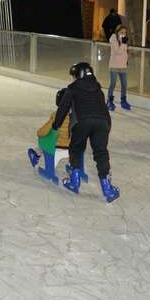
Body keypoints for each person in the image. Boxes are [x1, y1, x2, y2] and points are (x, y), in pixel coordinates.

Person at [42, 62, 119, 203]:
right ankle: (107, 187)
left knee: (76, 149)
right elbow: (103, 108)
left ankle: (74, 181)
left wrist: (55, 125)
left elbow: (63, 108)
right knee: (101, 152)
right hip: (103, 122)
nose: (72, 79)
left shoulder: (72, 88)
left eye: (74, 76)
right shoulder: (98, 88)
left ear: (79, 75)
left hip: (82, 121)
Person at [28, 88, 70, 168]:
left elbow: (43, 131)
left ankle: (36, 153)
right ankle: (74, 169)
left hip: (56, 147)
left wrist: (39, 133)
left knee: (44, 139)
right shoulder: (76, 117)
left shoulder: (56, 116)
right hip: (72, 148)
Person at [107, 24, 131, 111]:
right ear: (117, 32)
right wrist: (124, 44)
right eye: (121, 32)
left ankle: (123, 100)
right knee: (113, 84)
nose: (123, 34)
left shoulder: (124, 40)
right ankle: (109, 101)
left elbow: (125, 52)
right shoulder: (113, 39)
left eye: (125, 32)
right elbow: (118, 51)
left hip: (123, 66)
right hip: (114, 65)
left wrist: (126, 61)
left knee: (124, 85)